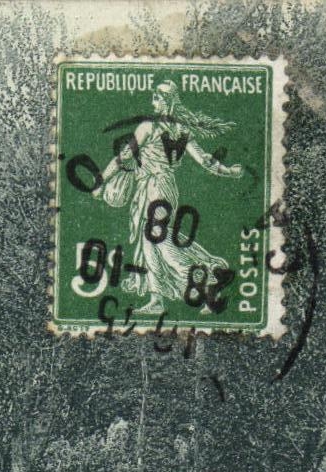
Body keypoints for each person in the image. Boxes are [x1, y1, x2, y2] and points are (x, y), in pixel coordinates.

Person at [97, 80, 243, 315]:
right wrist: (228, 172)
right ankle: (157, 300)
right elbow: (205, 159)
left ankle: (209, 277)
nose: (152, 102)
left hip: (155, 188)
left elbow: (123, 157)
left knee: (160, 242)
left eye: (156, 97)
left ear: (165, 101)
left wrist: (99, 182)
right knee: (150, 246)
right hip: (165, 188)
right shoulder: (183, 130)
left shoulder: (148, 126)